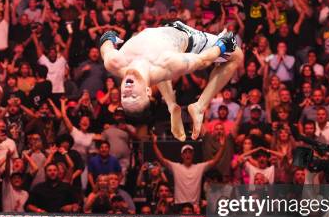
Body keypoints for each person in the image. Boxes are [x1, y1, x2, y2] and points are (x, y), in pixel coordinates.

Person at [99, 22, 243, 140]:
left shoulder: (113, 62)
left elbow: (106, 40)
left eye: (125, 97)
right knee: (237, 56)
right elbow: (203, 61)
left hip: (162, 35)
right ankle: (199, 107)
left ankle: (171, 104)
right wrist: (223, 44)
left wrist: (110, 37)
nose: (128, 92)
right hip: (188, 39)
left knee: (156, 72)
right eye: (134, 96)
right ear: (148, 91)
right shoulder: (168, 63)